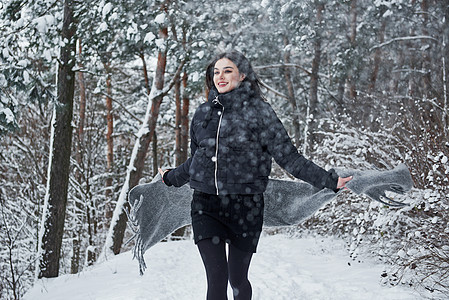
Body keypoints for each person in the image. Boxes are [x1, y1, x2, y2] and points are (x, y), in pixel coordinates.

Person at [159, 50, 352, 300]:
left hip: (245, 208)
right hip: (206, 206)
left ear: (243, 75)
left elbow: (289, 157)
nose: (220, 76)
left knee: (237, 279)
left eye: (228, 71)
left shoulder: (260, 113)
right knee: (216, 281)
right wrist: (171, 177)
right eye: (216, 72)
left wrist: (329, 180)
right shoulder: (202, 114)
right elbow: (197, 161)